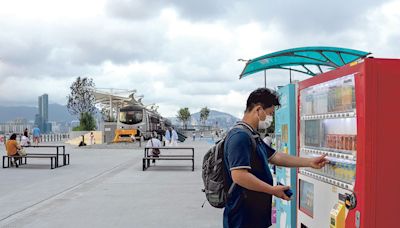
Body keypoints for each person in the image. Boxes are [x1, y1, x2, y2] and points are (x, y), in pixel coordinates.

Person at [223, 88, 328, 228]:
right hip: (243, 216)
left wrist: (309, 162)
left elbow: (276, 156)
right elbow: (239, 175)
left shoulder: (251, 135)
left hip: (253, 215)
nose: (270, 118)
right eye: (270, 113)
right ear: (259, 110)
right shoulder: (240, 136)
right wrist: (272, 190)